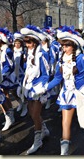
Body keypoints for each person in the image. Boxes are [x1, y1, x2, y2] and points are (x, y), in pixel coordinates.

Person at [37, 25, 84, 155]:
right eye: (63, 46)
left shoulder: (82, 58)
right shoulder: (61, 61)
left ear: (74, 45)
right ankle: (64, 152)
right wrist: (44, 88)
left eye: (66, 46)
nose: (64, 48)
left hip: (82, 93)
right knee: (65, 123)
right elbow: (56, 79)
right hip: (67, 94)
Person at [20, 25, 50, 155]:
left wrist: (41, 89)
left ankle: (38, 141)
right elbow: (28, 71)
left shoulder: (42, 54)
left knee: (36, 115)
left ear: (35, 41)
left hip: (38, 89)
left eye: (29, 42)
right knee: (32, 114)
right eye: (25, 42)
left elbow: (46, 74)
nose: (27, 44)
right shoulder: (29, 53)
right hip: (29, 88)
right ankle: (44, 130)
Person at [0, 28, 19, 131]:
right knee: (5, 96)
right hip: (2, 76)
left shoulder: (7, 50)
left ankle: (10, 117)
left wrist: (1, 75)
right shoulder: (2, 49)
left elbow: (9, 66)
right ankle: (10, 117)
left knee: (5, 96)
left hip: (7, 77)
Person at [13, 32, 28, 117]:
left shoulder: (23, 52)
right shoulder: (12, 51)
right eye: (16, 43)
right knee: (14, 92)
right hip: (13, 75)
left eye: (19, 43)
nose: (17, 45)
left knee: (21, 92)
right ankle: (20, 103)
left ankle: (25, 106)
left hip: (22, 74)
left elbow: (25, 65)